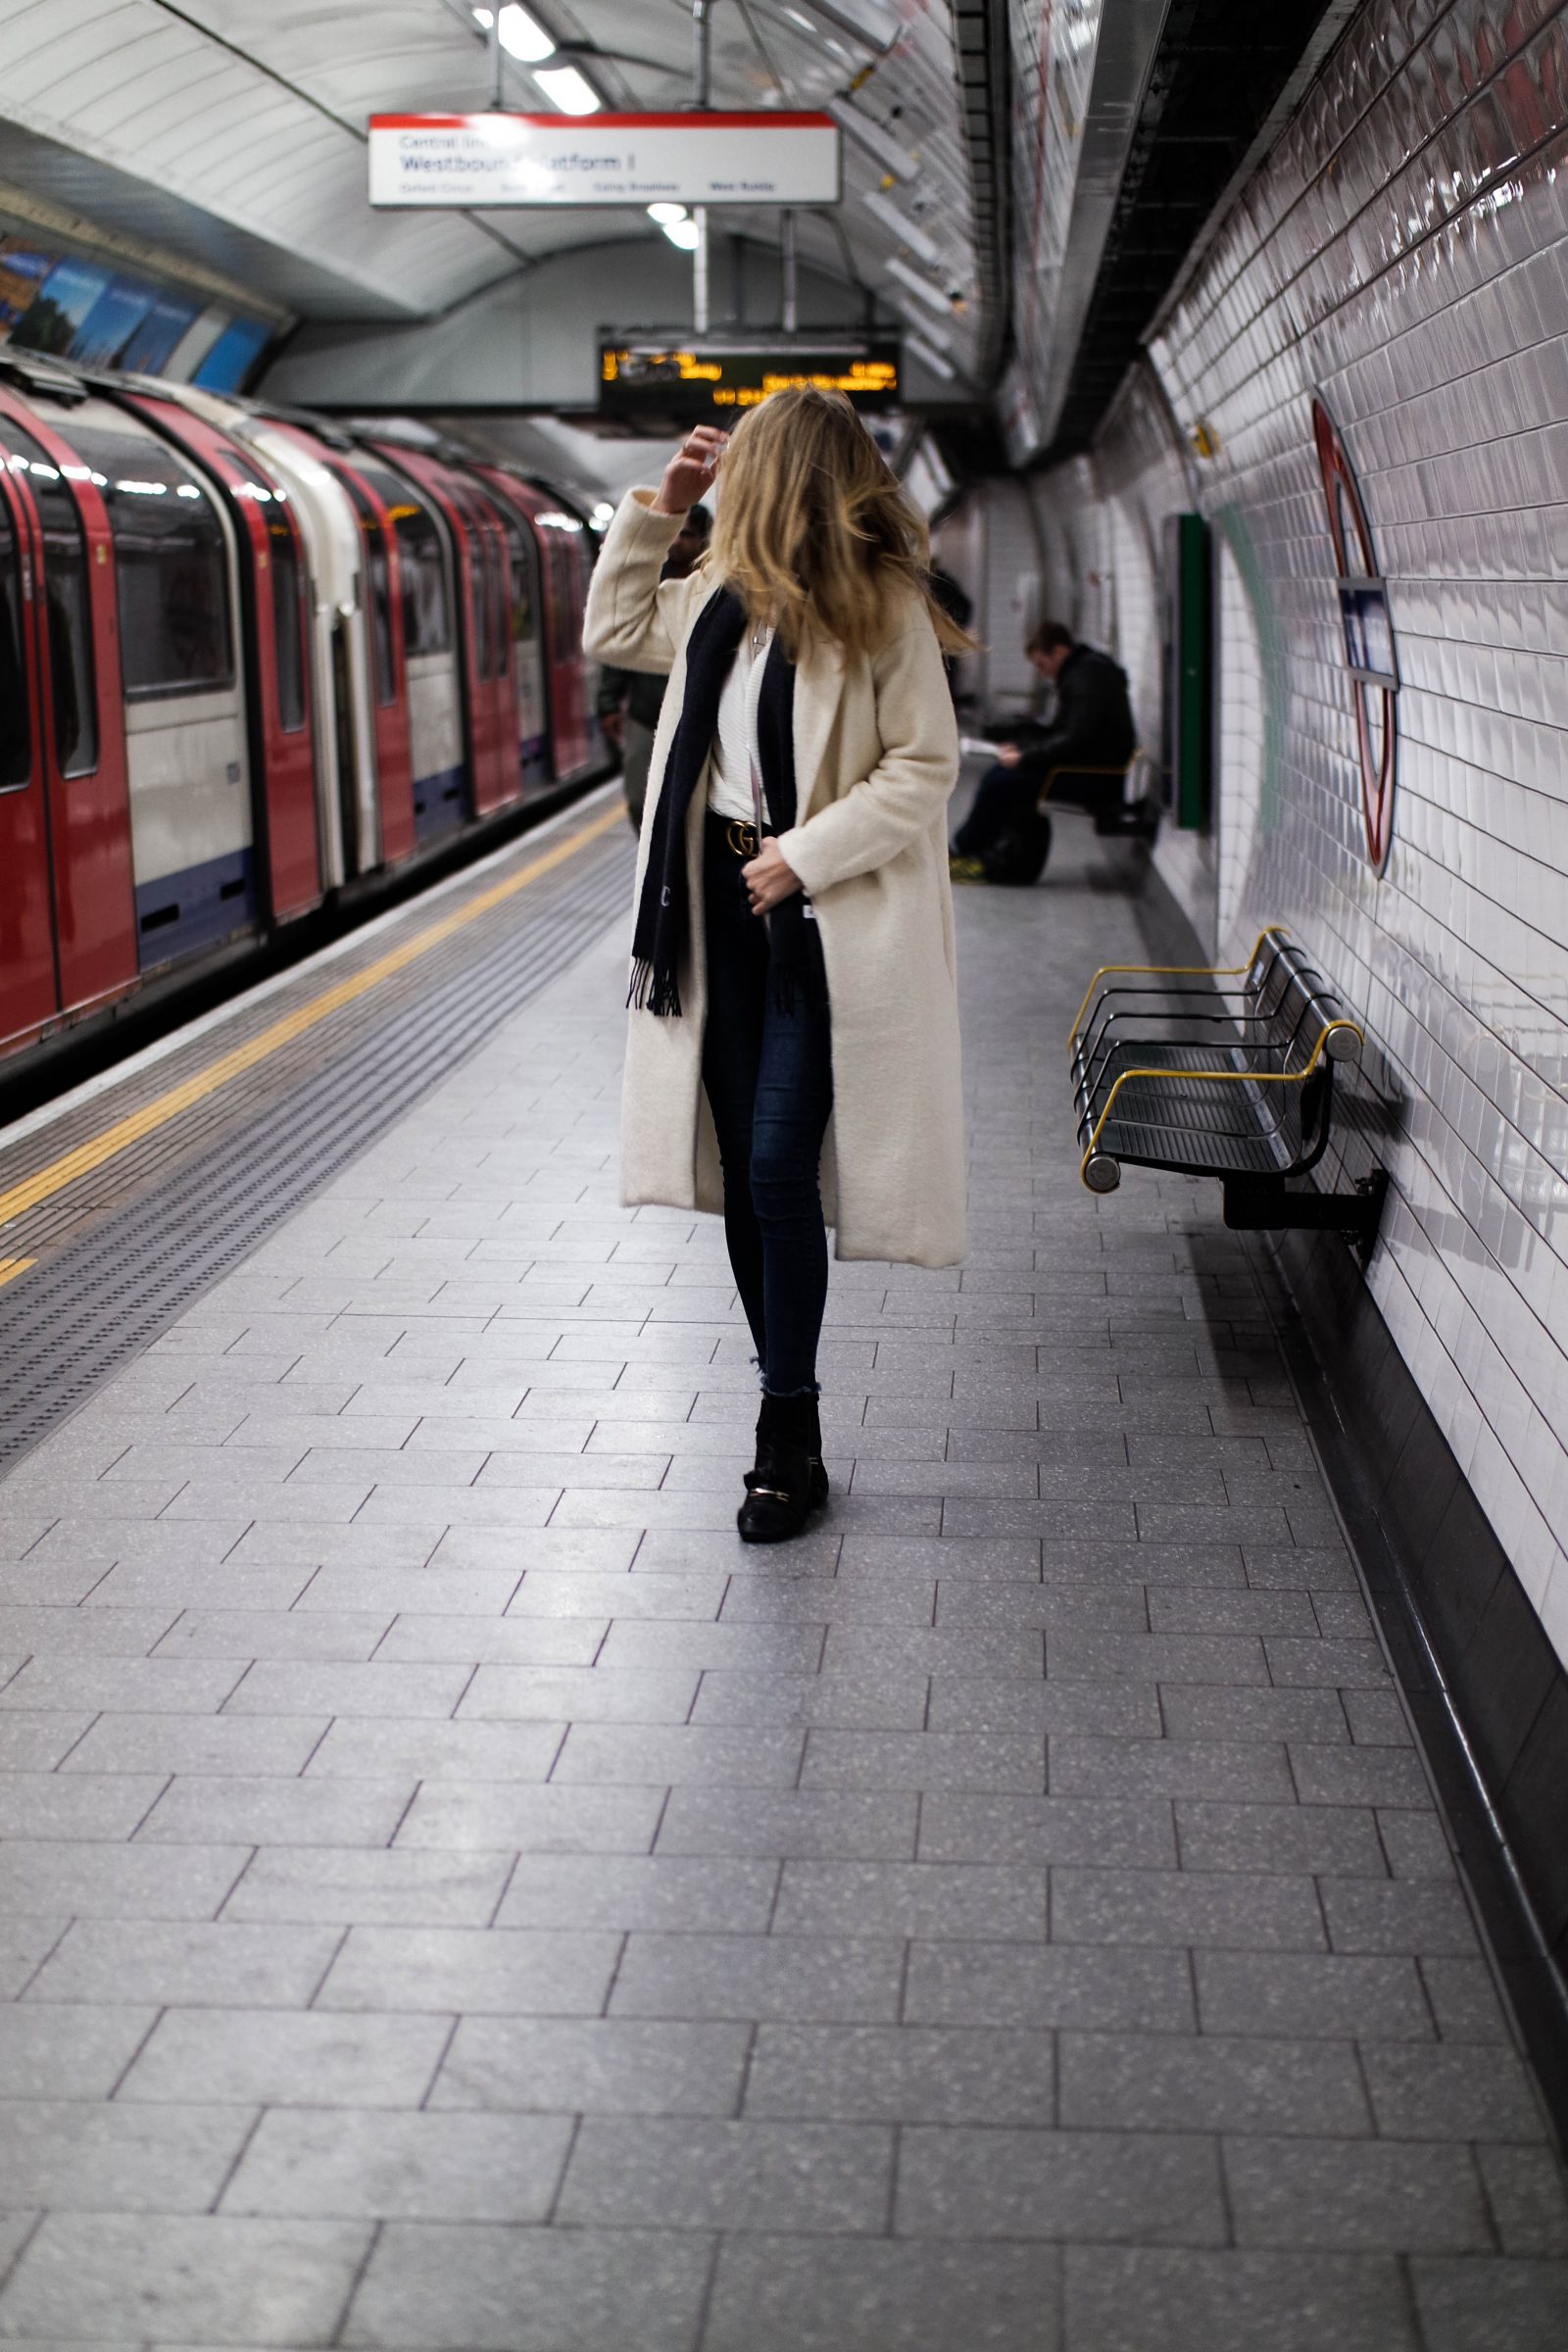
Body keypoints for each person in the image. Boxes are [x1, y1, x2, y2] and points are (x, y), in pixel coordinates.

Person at [583, 388, 972, 1544]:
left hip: (818, 917)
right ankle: (788, 1415)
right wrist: (663, 509)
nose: (729, 484)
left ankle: (781, 1430)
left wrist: (803, 856)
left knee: (769, 1166)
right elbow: (612, 630)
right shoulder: (714, 596)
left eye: (741, 467)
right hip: (711, 915)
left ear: (785, 474)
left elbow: (924, 765)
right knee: (755, 1179)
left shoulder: (882, 607)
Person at [950, 618, 1139, 883]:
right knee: (1004, 778)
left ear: (1059, 652)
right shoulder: (1084, 672)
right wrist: (1022, 747)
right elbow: (1068, 733)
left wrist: (1026, 756)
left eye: (1042, 664)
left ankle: (963, 850)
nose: (1043, 672)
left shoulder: (1086, 678)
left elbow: (1076, 737)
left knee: (1001, 783)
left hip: (1094, 776)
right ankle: (981, 853)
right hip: (1086, 765)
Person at [597, 503, 710, 830]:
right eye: (673, 535)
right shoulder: (648, 583)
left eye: (685, 535)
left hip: (698, 714)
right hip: (646, 714)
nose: (676, 542)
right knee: (639, 798)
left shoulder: (714, 585)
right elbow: (621, 641)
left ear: (703, 539)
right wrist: (608, 702)